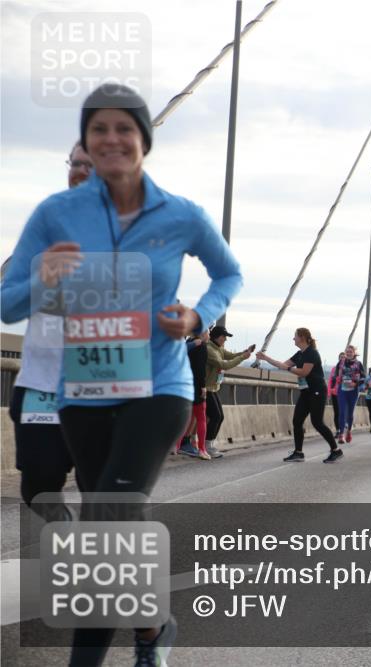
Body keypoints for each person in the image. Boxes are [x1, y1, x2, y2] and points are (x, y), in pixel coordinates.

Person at [0, 83, 243, 666]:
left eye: (124, 129)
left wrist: (196, 316)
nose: (111, 140)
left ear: (144, 141)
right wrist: (44, 280)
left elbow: (228, 275)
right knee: (107, 520)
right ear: (85, 141)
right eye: (98, 129)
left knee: (107, 515)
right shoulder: (56, 215)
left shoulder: (180, 214)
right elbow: (8, 305)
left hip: (159, 386)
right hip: (81, 392)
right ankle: (153, 624)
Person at [2, 141, 92, 520]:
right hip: (41, 386)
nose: (82, 172)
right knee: (38, 488)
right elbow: (6, 304)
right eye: (76, 163)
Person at [256, 329, 344, 464]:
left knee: (317, 422)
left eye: (295, 336)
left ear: (302, 337)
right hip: (306, 392)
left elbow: (303, 372)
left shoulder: (312, 353)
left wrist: (288, 369)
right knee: (297, 421)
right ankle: (298, 452)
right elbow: (283, 365)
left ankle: (336, 450)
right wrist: (265, 358)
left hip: (317, 391)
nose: (293, 339)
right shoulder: (299, 354)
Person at [204, 324, 253, 458]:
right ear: (216, 337)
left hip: (213, 388)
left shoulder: (218, 348)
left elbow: (230, 356)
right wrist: (243, 357)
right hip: (206, 389)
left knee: (219, 417)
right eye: (224, 337)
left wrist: (243, 353)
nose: (225, 339)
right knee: (216, 416)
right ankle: (206, 446)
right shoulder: (210, 349)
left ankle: (209, 444)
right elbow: (224, 364)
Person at [177, 331, 210, 459]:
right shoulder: (201, 346)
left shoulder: (188, 343)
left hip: (184, 384)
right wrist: (203, 386)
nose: (209, 335)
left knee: (187, 417)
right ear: (202, 334)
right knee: (201, 417)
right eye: (208, 332)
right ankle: (202, 449)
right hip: (196, 385)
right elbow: (200, 369)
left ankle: (177, 446)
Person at [332, 345, 365, 443]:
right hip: (342, 390)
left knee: (350, 413)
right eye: (347, 352)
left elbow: (363, 378)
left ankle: (349, 431)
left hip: (353, 391)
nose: (349, 353)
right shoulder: (341, 363)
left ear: (354, 353)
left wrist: (355, 383)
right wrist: (336, 381)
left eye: (351, 351)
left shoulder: (358, 364)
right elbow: (335, 376)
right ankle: (341, 434)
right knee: (341, 412)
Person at [328, 351, 346, 432]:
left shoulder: (348, 369)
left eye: (344, 357)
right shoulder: (334, 369)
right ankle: (338, 430)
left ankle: (342, 428)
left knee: (342, 412)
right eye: (341, 357)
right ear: (339, 359)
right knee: (336, 412)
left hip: (344, 393)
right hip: (334, 393)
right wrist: (329, 392)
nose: (342, 359)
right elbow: (330, 381)